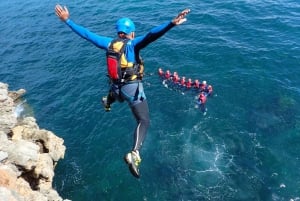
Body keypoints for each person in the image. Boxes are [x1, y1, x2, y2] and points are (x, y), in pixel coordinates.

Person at [55, 5, 190, 178]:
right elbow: (151, 35)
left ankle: (108, 101)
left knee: (116, 96)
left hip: (116, 87)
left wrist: (67, 20)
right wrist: (171, 23)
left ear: (118, 32)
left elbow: (86, 34)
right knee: (144, 120)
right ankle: (134, 153)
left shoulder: (108, 43)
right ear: (131, 33)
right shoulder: (133, 44)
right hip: (131, 89)